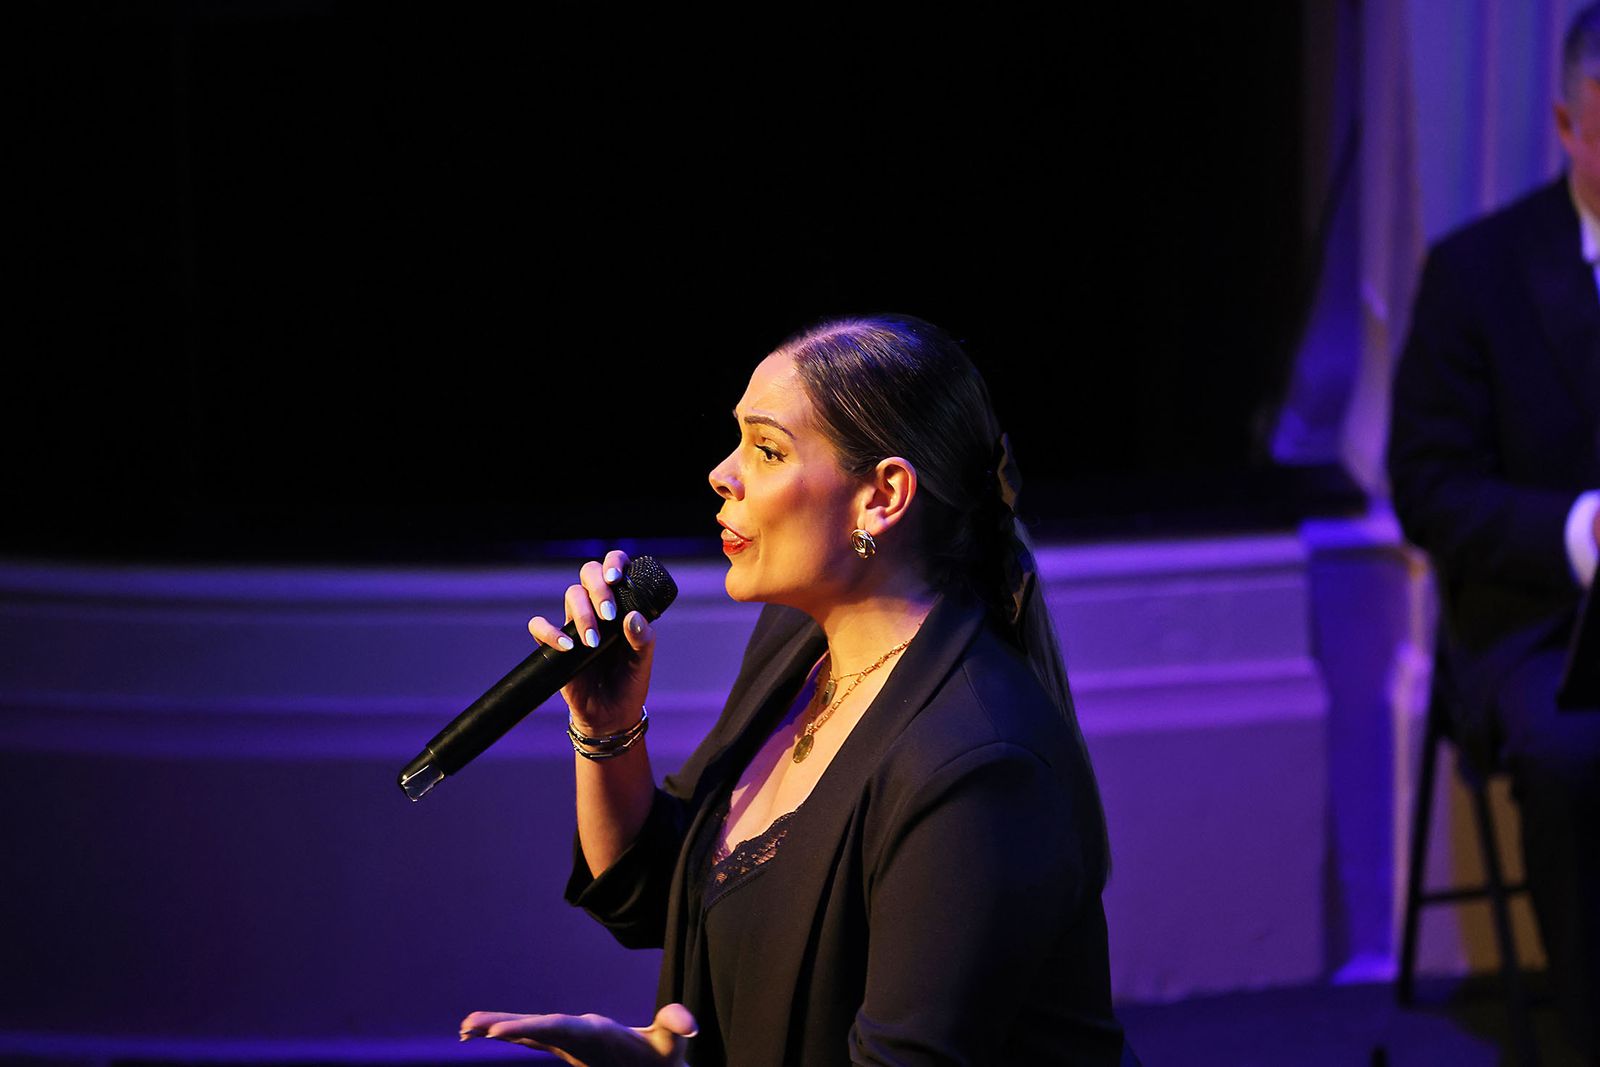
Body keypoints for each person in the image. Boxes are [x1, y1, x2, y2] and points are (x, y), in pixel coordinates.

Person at [460, 315, 1133, 1065]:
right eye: (738, 439)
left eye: (768, 449)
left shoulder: (976, 765)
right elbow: (662, 894)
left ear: (882, 495)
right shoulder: (796, 644)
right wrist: (607, 727)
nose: (722, 474)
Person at [1387, 4, 1600, 1059]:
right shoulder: (1478, 272)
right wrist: (1580, 531)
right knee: (1577, 754)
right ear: (1566, 125)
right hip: (1536, 623)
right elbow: (1428, 487)